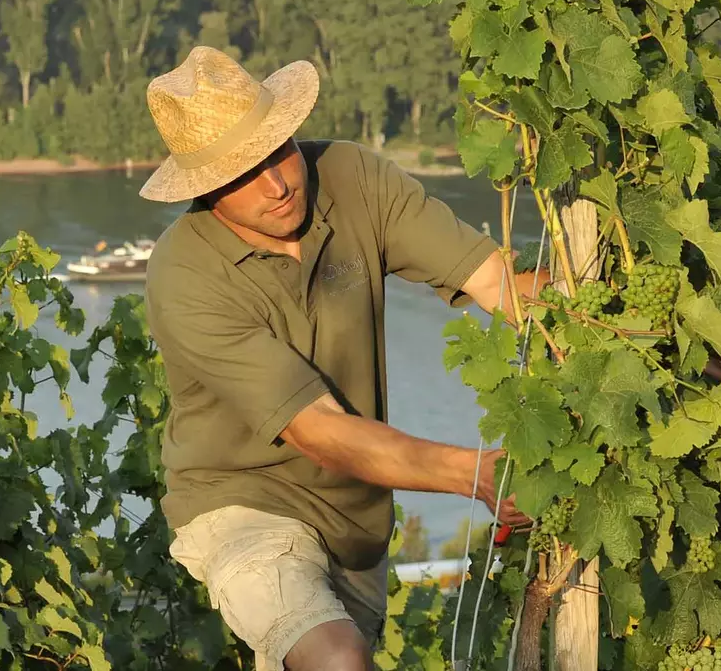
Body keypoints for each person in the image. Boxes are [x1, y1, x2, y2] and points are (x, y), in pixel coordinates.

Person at [136, 46, 544, 670]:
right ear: (206, 189)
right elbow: (317, 431)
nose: (276, 184)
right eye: (244, 173)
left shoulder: (353, 178)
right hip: (244, 507)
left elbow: (500, 283)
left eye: (279, 150)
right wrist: (475, 472)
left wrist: (642, 331)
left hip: (356, 522)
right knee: (337, 660)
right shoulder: (185, 275)